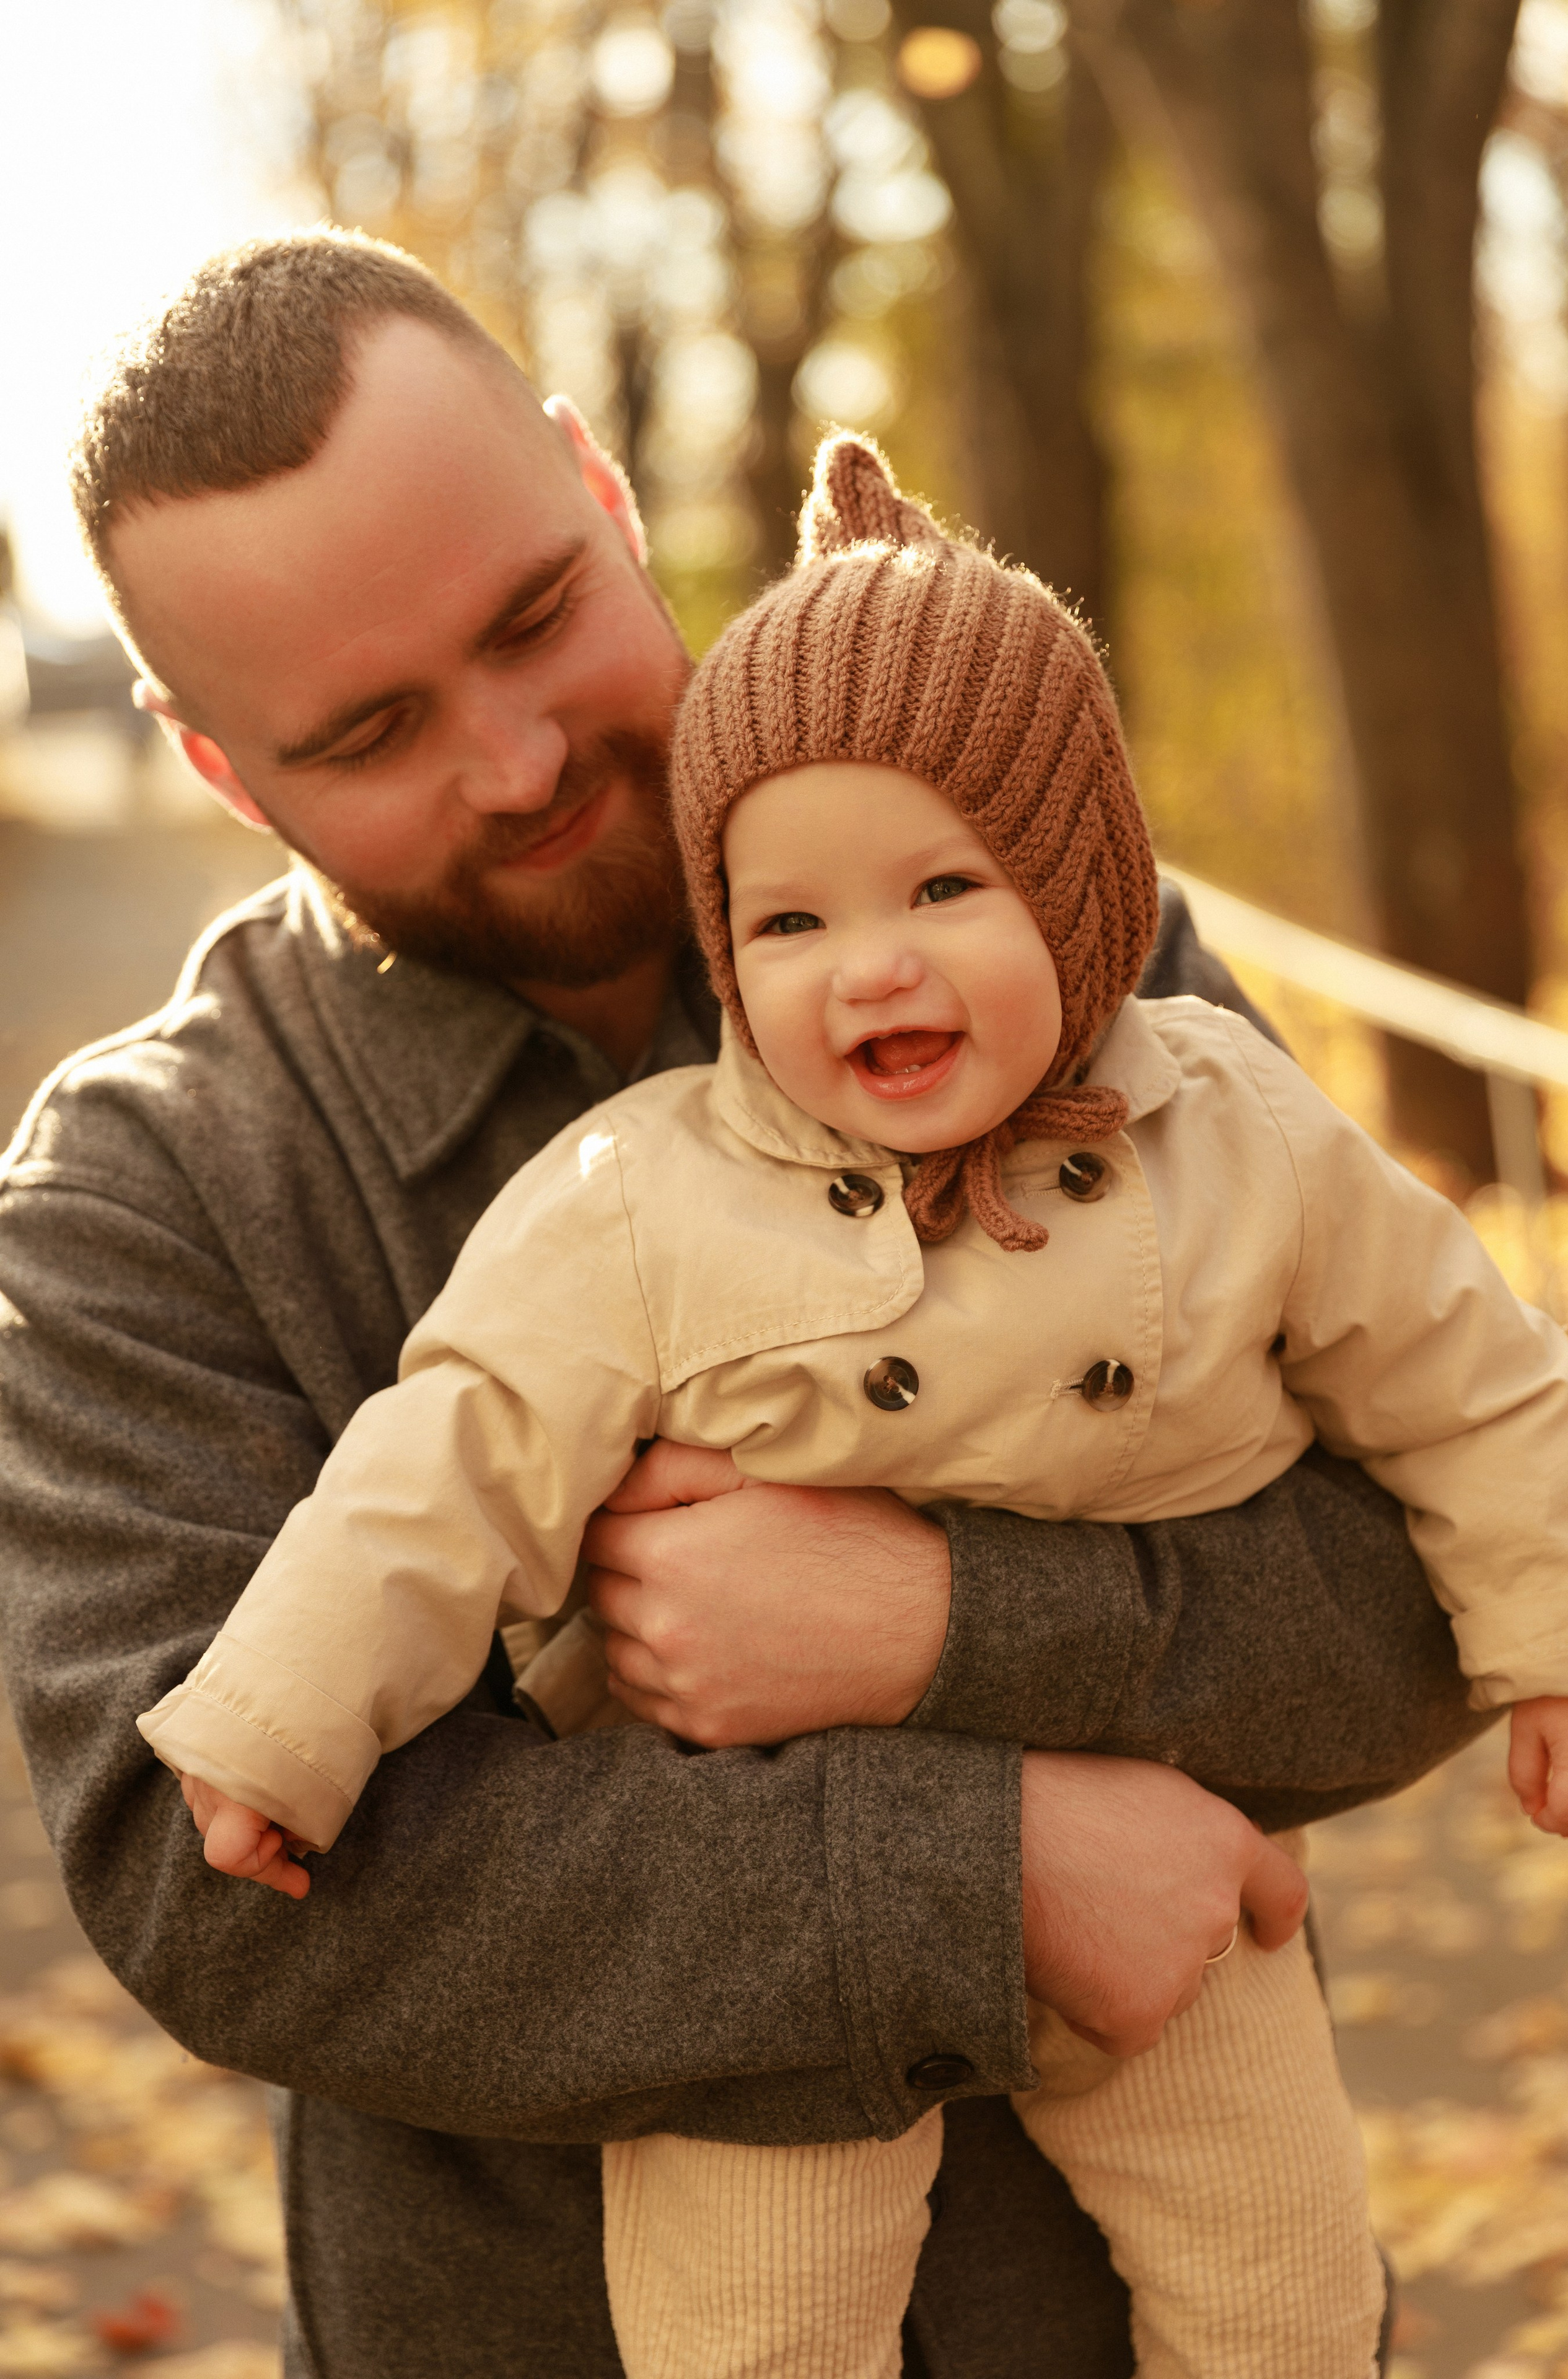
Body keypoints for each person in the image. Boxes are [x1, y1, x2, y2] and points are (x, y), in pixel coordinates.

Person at [0, 232, 1484, 2379]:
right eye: (376, 730)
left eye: (535, 617)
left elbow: (1436, 1571)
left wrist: (937, 1620)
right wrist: (982, 1871)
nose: (519, 760)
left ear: (605, 496)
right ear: (225, 771)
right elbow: (207, 1884)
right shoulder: (142, 1199)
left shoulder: (1055, 928)